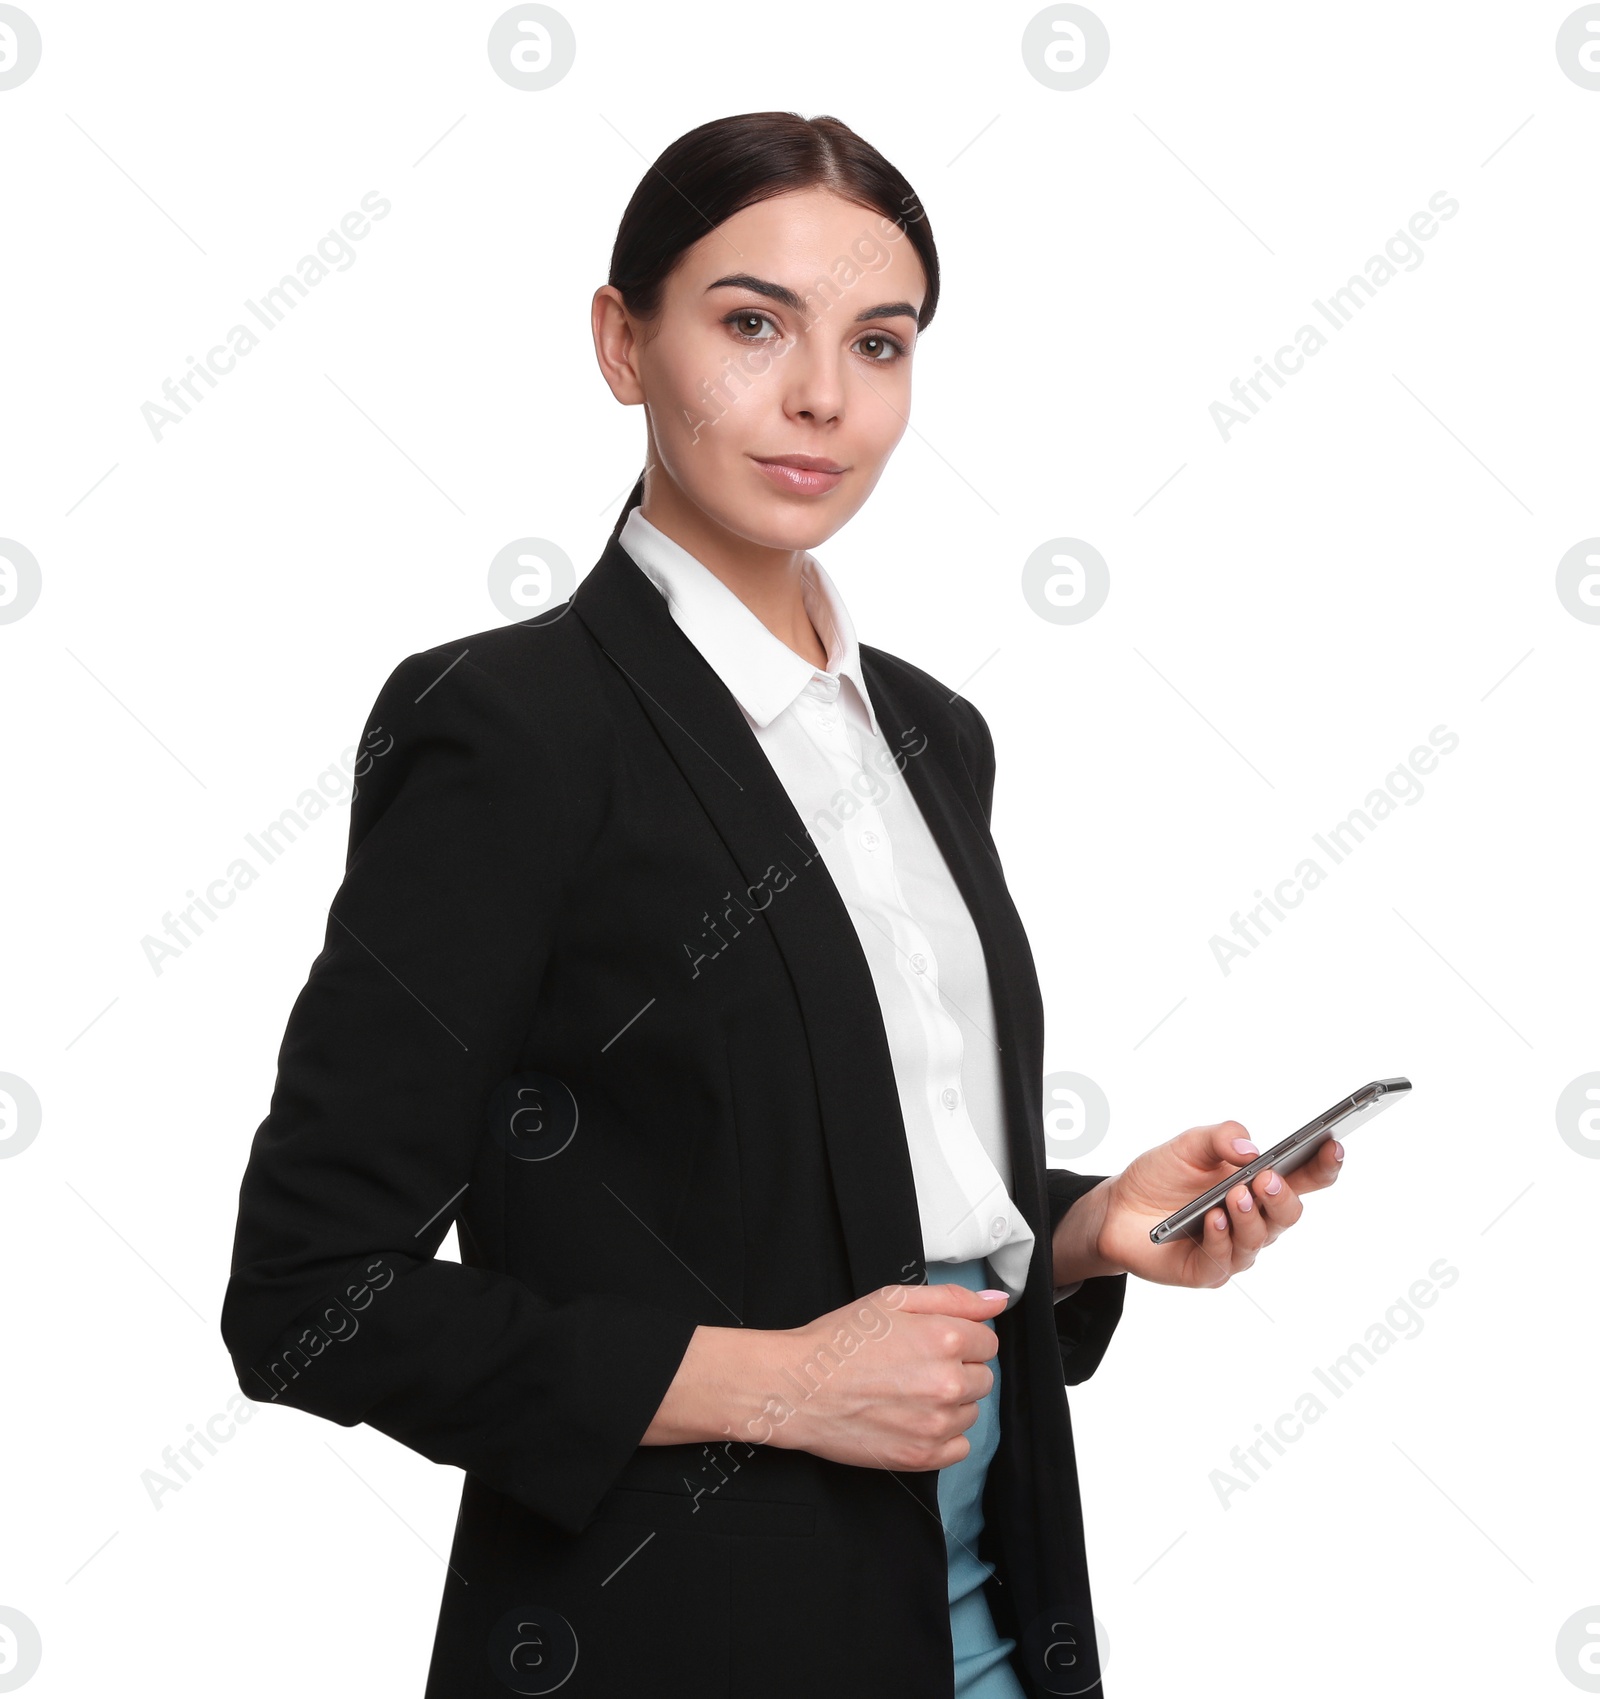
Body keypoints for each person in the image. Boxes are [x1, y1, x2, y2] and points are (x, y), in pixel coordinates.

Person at [220, 110, 1344, 1699]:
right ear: (623, 343)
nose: (822, 393)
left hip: (997, 1612)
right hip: (681, 1637)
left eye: (877, 342)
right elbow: (307, 1299)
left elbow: (822, 1171)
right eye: (753, 324)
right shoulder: (513, 729)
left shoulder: (932, 736)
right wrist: (777, 1385)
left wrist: (1082, 1229)